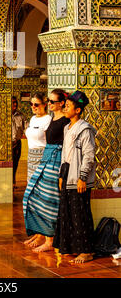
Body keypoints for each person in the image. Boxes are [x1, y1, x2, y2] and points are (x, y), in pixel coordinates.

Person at [23, 89, 70, 251]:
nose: (49, 104)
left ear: (61, 103)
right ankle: (40, 233)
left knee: (48, 201)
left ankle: (49, 239)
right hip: (44, 159)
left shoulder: (63, 120)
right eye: (48, 101)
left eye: (51, 102)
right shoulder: (53, 119)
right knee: (34, 196)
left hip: (53, 160)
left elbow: (67, 145)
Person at [53, 91, 96, 264]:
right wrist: (61, 175)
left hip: (78, 177)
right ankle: (72, 247)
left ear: (78, 110)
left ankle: (86, 251)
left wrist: (82, 177)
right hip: (67, 175)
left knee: (80, 215)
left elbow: (89, 155)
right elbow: (66, 154)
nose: (65, 107)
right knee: (68, 214)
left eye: (68, 106)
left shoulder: (85, 130)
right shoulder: (67, 128)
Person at [23, 92, 52, 248]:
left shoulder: (48, 120)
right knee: (33, 198)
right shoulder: (33, 119)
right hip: (31, 159)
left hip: (42, 159)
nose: (33, 107)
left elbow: (50, 142)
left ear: (44, 105)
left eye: (36, 104)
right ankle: (38, 234)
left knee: (43, 198)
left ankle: (47, 236)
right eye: (31, 104)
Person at [11, 96, 26, 189]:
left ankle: (13, 181)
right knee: (9, 164)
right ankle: (10, 181)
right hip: (7, 144)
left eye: (15, 102)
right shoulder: (3, 114)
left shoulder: (20, 115)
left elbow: (25, 127)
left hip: (17, 142)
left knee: (15, 163)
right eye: (13, 102)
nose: (15, 104)